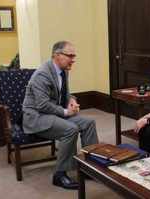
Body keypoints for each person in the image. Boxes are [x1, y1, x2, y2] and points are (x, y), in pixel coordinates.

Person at [22, 41, 98, 189]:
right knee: (70, 129)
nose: (73, 59)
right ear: (56, 55)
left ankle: (90, 168)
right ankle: (60, 174)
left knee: (89, 123)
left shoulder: (64, 70)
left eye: (74, 55)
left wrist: (71, 100)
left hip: (52, 112)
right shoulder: (42, 74)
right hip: (37, 117)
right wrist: (65, 112)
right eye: (70, 55)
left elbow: (65, 93)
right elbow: (42, 105)